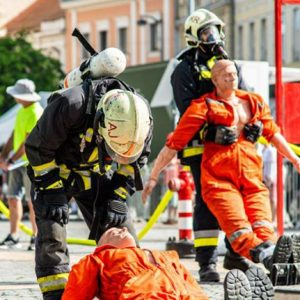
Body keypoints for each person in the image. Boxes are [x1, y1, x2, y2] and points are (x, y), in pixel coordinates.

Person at [142, 59, 300, 281]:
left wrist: (294, 159)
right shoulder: (203, 107)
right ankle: (268, 256)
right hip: (219, 181)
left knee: (264, 225)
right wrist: (153, 176)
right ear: (214, 80)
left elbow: (273, 134)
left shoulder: (253, 102)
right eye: (224, 74)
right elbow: (173, 145)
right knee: (239, 229)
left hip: (252, 179)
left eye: (233, 73)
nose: (231, 76)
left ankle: (277, 262)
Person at [25, 76, 153, 299]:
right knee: (52, 230)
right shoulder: (71, 105)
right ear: (101, 122)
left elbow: (132, 165)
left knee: (122, 229)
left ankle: (132, 288)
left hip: (97, 171)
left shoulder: (141, 120)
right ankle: (57, 293)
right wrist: (52, 190)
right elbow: (38, 147)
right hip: (56, 170)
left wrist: (118, 195)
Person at [170, 8, 255, 281]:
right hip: (200, 147)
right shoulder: (184, 69)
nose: (213, 37)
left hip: (231, 146)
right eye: (206, 32)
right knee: (208, 203)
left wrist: (252, 125)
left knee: (237, 200)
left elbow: (242, 99)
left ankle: (235, 253)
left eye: (215, 31)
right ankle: (206, 265)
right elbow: (187, 112)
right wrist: (211, 133)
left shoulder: (229, 65)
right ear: (194, 37)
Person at [62, 226, 209, 300]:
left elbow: (192, 286)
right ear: (103, 246)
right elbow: (75, 293)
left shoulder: (166, 256)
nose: (124, 228)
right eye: (115, 232)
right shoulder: (98, 259)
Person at [0, 79, 43, 250]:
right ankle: (14, 235)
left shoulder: (35, 112)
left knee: (32, 201)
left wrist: (10, 160)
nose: (15, 98)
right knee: (12, 197)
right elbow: (14, 134)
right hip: (16, 163)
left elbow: (27, 143)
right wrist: (4, 154)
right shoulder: (22, 110)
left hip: (29, 163)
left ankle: (36, 236)